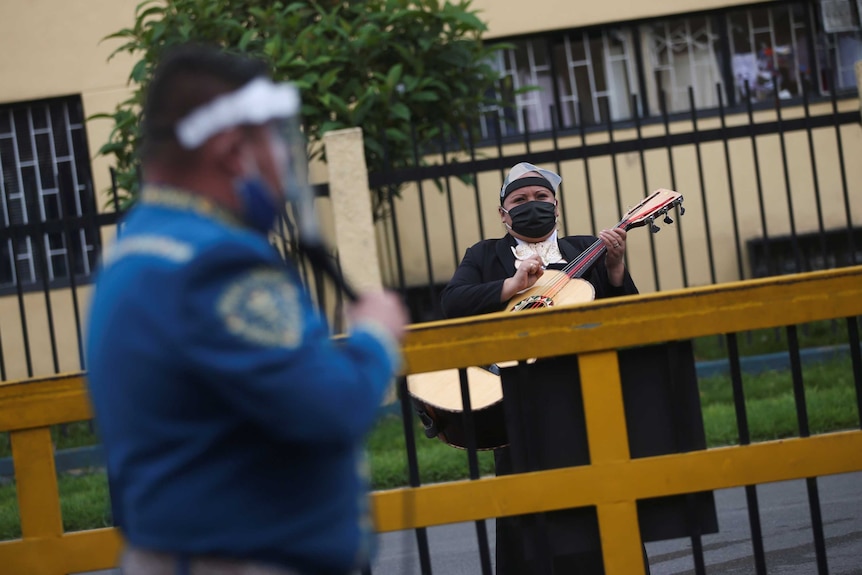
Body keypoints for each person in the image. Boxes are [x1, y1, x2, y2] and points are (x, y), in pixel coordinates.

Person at [85, 44, 407, 575]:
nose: (284, 159)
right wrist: (374, 336)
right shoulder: (218, 262)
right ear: (235, 152)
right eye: (275, 140)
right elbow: (330, 407)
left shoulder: (141, 248)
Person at [440, 162, 639, 574]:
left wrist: (616, 270)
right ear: (503, 214)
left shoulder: (589, 249)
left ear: (556, 205)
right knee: (528, 516)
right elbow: (453, 302)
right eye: (520, 200)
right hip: (517, 403)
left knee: (599, 504)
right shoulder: (483, 255)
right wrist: (511, 286)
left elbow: (628, 318)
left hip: (585, 397)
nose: (533, 205)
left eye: (541, 198)